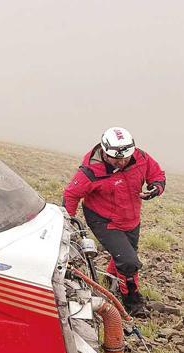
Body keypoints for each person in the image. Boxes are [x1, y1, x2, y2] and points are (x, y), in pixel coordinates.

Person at [63, 127, 166, 317]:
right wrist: (66, 223)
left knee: (122, 255)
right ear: (105, 152)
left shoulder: (141, 157)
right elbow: (71, 194)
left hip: (131, 218)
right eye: (116, 158)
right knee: (128, 262)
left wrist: (155, 188)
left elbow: (157, 175)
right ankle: (132, 301)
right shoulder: (91, 171)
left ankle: (112, 283)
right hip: (104, 220)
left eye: (126, 157)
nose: (122, 161)